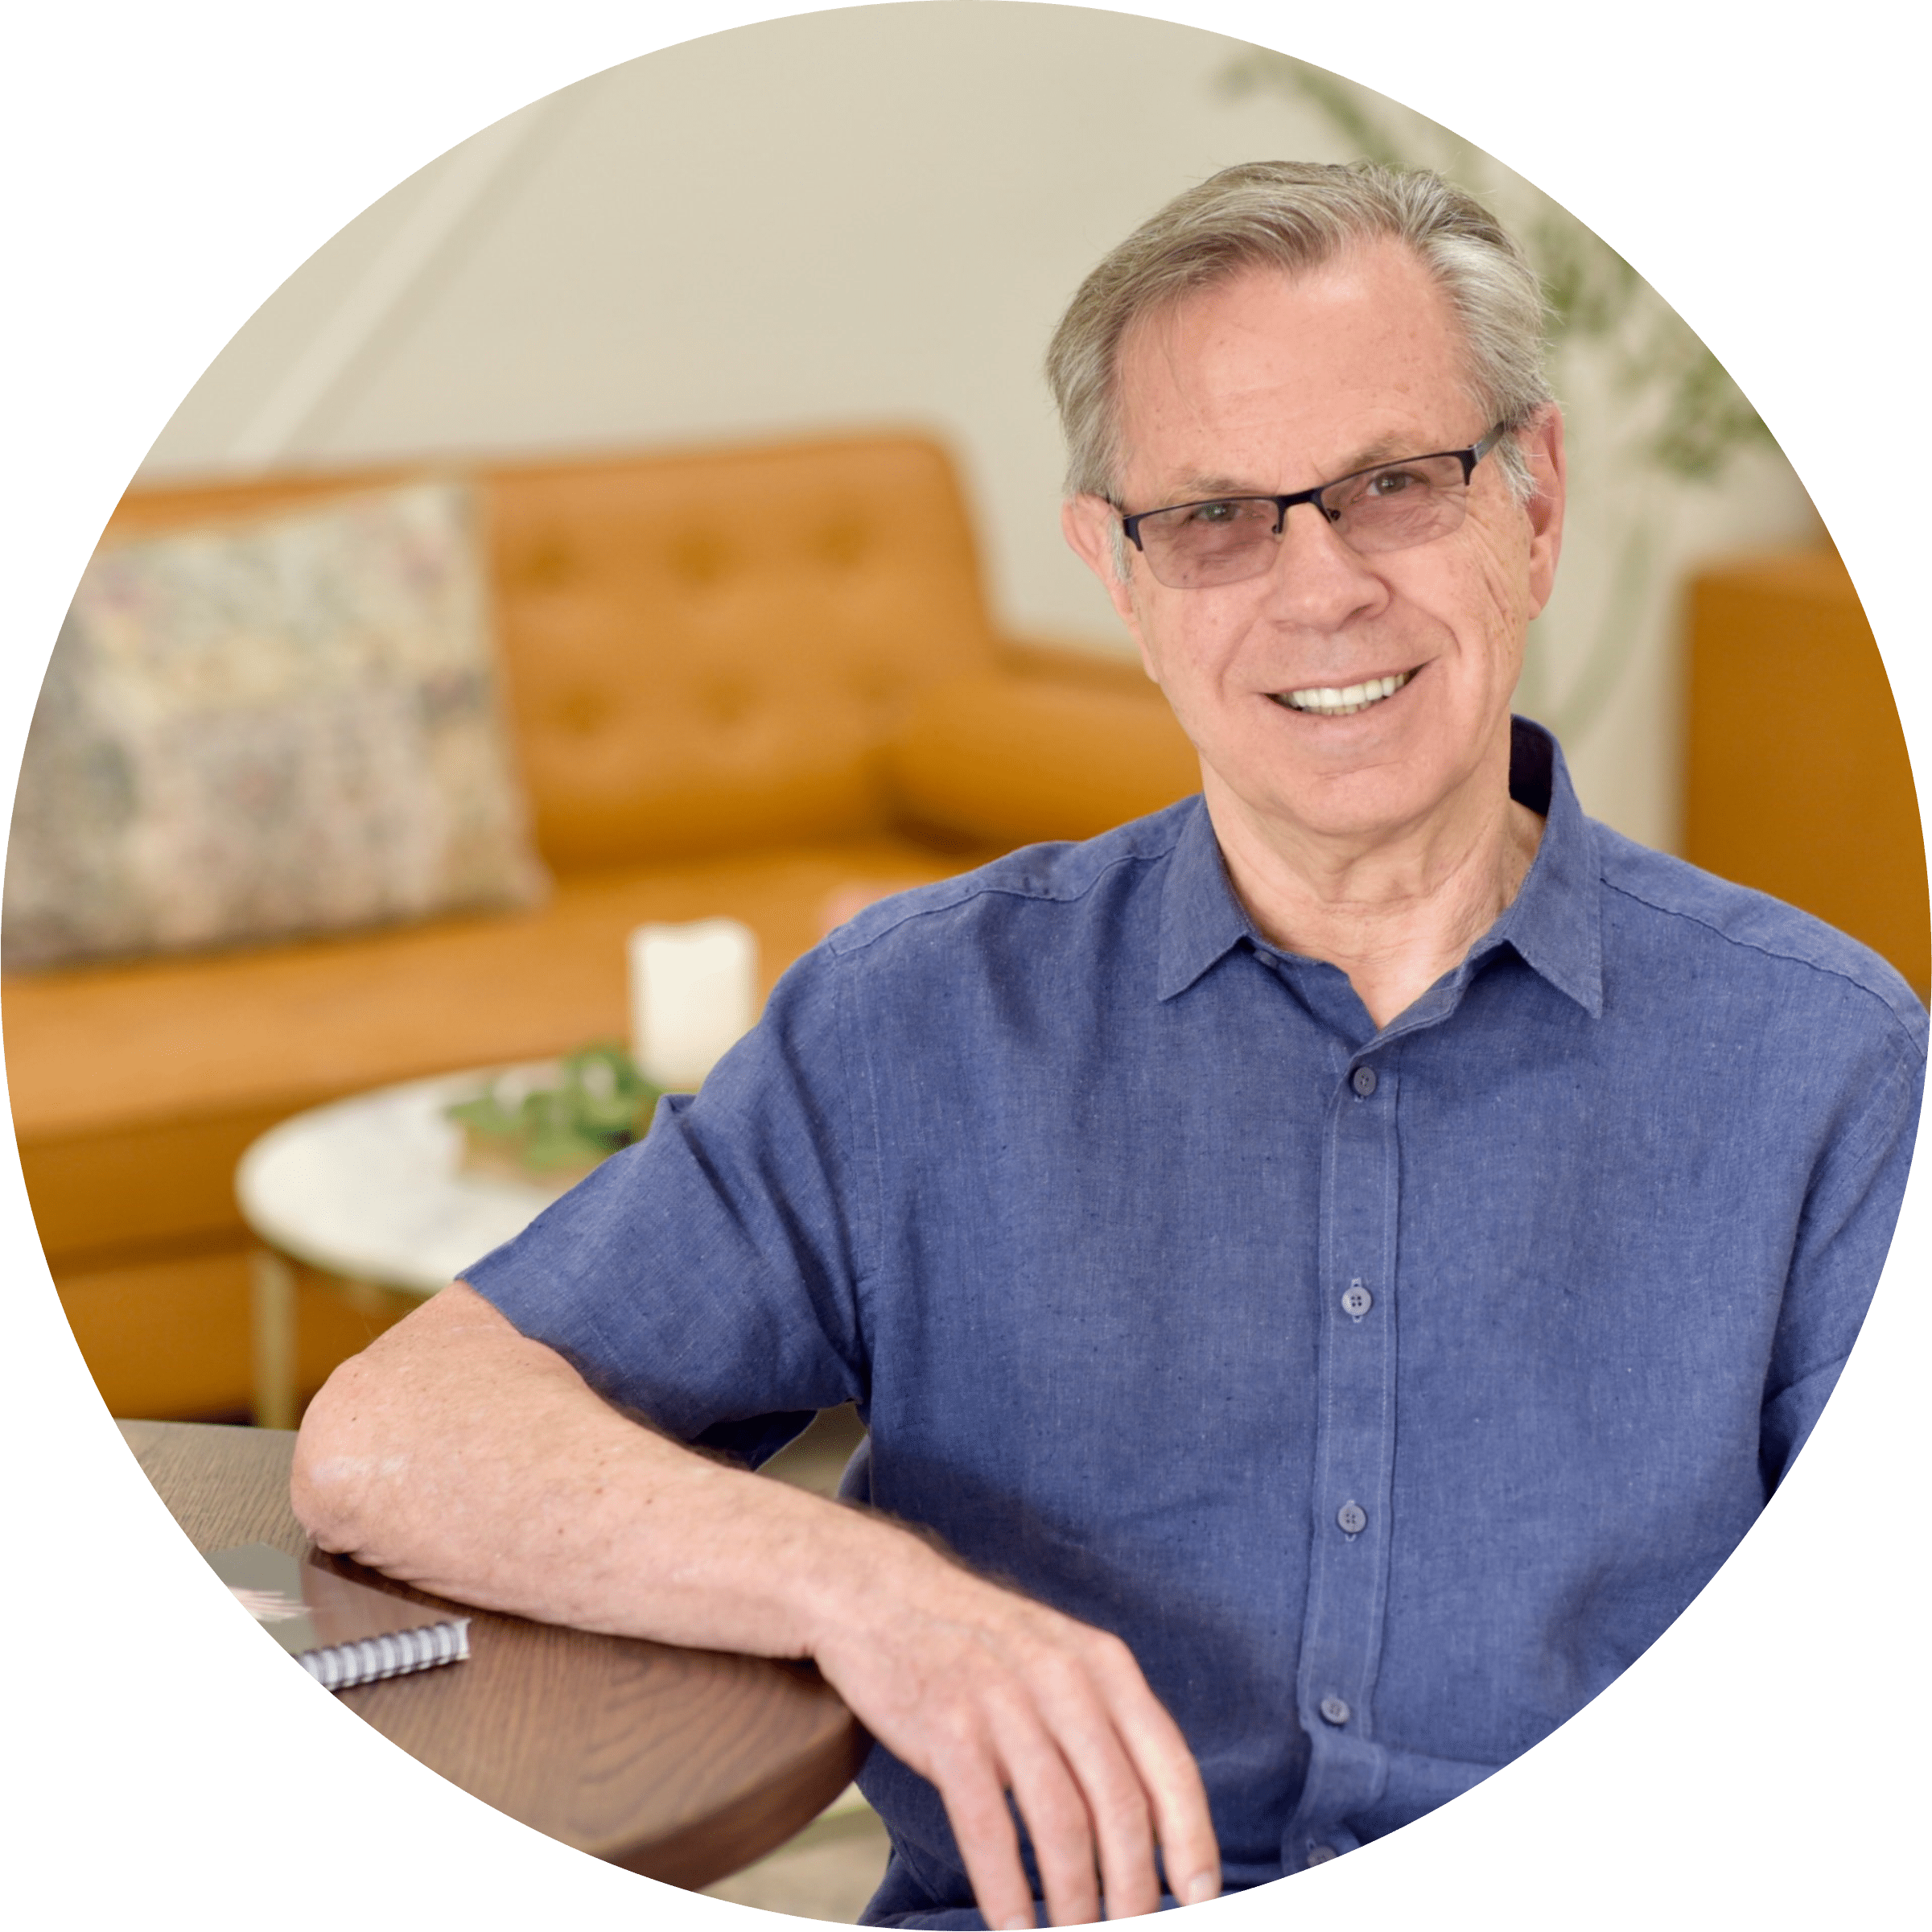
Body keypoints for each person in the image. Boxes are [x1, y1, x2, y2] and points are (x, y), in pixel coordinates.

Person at [291, 162, 1925, 1928]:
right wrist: (875, 1596)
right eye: (1218, 516)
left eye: (1393, 485)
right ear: (1121, 577)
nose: (1320, 588)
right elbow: (396, 1438)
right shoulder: (919, 1024)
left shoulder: (1827, 1067)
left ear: (1532, 504)